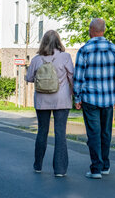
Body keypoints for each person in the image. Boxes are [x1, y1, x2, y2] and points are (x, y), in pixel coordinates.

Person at [73, 18, 115, 179]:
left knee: (94, 134)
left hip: (90, 98)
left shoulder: (84, 50)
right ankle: (105, 166)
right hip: (109, 98)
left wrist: (77, 97)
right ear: (103, 30)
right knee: (106, 133)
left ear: (91, 30)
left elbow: (78, 77)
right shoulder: (114, 49)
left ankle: (96, 168)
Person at [25, 30, 74, 177]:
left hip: (42, 101)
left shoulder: (36, 59)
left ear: (43, 42)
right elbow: (72, 76)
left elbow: (29, 78)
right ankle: (59, 170)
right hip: (62, 100)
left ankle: (38, 165)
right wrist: (75, 94)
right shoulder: (65, 57)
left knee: (42, 131)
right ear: (59, 41)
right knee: (60, 134)